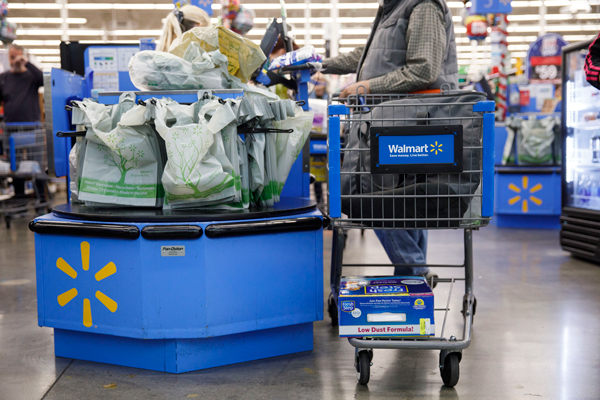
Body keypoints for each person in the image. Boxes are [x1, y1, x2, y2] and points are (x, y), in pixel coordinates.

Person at [322, 0, 459, 278]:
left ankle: (416, 270)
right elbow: (371, 55)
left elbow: (424, 69)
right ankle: (411, 282)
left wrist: (366, 86)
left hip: (415, 123)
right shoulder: (393, 9)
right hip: (393, 122)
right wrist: (322, 63)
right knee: (405, 204)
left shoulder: (422, 5)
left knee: (373, 199)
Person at [0, 44, 44, 123]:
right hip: (10, 127)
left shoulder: (32, 76)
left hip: (31, 126)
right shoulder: (3, 78)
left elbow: (44, 80)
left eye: (18, 58)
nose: (15, 61)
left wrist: (27, 63)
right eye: (12, 57)